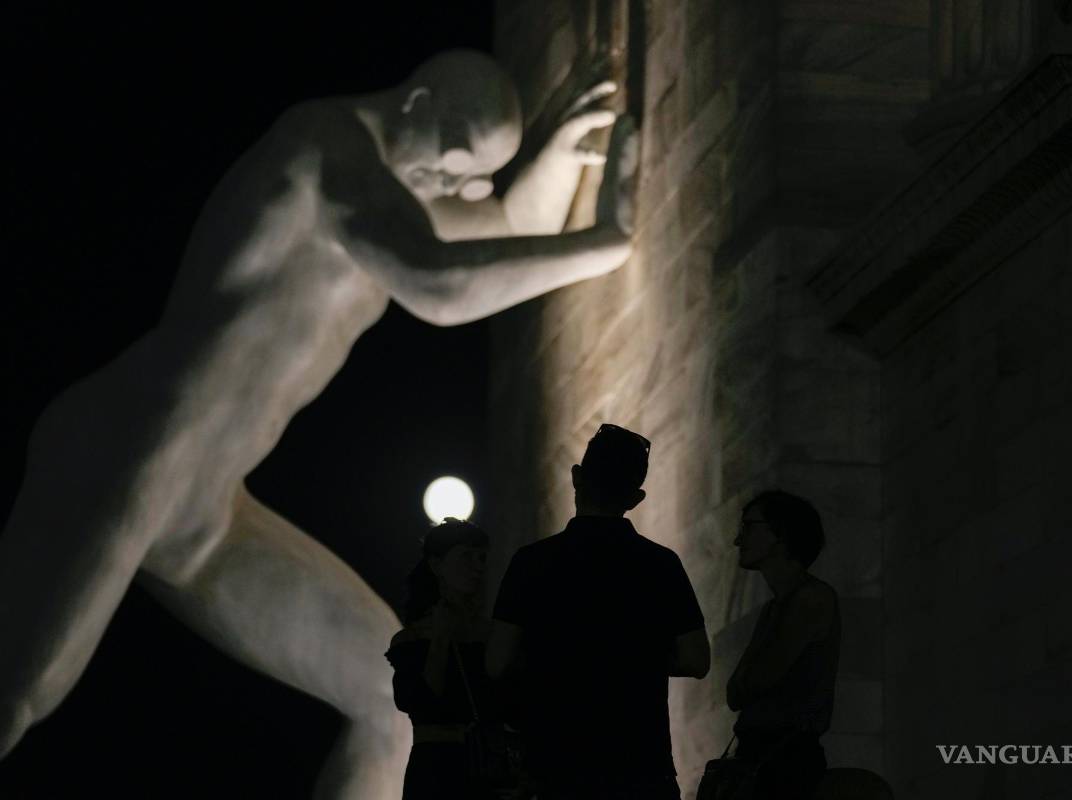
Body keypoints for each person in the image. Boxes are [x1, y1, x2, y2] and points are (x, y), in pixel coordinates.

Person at [0, 47, 637, 798]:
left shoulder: (403, 183)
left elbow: (496, 227)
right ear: (416, 103)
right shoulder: (323, 146)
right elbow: (439, 282)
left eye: (473, 177)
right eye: (456, 162)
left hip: (204, 511)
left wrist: (563, 159)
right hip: (126, 450)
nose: (459, 186)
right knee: (22, 690)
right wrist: (605, 241)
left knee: (392, 702)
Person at [487, 423, 710, 800]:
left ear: (576, 478)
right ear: (636, 498)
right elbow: (695, 659)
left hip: (555, 767)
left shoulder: (532, 562)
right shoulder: (661, 565)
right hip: (642, 767)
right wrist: (638, 656)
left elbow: (495, 662)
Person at [726, 490, 841, 799]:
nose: (739, 540)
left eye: (749, 526)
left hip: (786, 765)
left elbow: (752, 682)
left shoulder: (811, 599)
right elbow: (738, 691)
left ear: (781, 533)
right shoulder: (775, 608)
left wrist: (749, 683)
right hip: (769, 759)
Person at [386, 518, 511, 800]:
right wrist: (441, 639)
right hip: (436, 773)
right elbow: (418, 702)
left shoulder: (492, 634)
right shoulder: (413, 639)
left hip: (484, 771)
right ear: (436, 565)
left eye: (481, 557)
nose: (478, 566)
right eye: (466, 556)